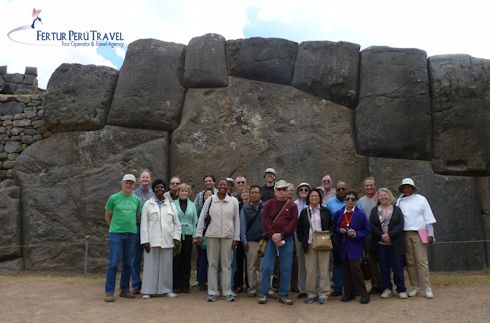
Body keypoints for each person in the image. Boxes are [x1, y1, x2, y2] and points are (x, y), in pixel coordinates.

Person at [196, 179, 240, 302]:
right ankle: (212, 292)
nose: (222, 187)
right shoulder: (210, 200)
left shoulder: (233, 201)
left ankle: (226, 292)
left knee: (226, 265)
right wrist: (199, 234)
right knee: (212, 264)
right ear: (217, 186)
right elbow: (202, 217)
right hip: (212, 235)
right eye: (220, 184)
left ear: (228, 187)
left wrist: (236, 238)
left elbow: (236, 221)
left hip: (228, 236)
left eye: (224, 185)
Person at [258, 180, 298, 305]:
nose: (281, 192)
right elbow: (265, 222)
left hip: (286, 239)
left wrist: (281, 235)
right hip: (271, 239)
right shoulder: (269, 204)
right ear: (275, 191)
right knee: (267, 267)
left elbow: (293, 222)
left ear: (287, 191)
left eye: (284, 189)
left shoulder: (292, 206)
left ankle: (283, 294)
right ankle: (263, 293)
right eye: (279, 189)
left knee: (286, 268)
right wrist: (273, 235)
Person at [140, 179, 181, 299]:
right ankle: (148, 290)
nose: (160, 189)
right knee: (150, 266)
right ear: (153, 190)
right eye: (157, 187)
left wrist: (176, 238)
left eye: (162, 187)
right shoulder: (148, 204)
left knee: (166, 267)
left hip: (167, 240)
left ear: (165, 190)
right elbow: (144, 224)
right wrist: (145, 241)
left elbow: (176, 224)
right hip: (152, 241)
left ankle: (166, 290)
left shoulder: (171, 205)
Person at [396, 178, 437, 299]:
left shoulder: (421, 199)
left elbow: (428, 217)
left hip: (420, 232)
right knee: (410, 262)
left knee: (422, 262)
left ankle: (427, 287)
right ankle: (415, 286)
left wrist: (430, 233)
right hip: (404, 233)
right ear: (402, 188)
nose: (407, 189)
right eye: (405, 187)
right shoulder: (399, 201)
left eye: (409, 186)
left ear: (413, 188)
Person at [104, 174, 141, 302]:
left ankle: (124, 289)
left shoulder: (137, 200)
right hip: (116, 234)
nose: (129, 185)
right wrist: (114, 228)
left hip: (131, 234)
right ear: (122, 183)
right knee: (113, 263)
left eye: (131, 183)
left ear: (134, 185)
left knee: (128, 263)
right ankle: (109, 292)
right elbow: (107, 216)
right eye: (127, 182)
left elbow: (136, 215)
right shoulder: (113, 198)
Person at [296, 188, 334, 305]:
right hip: (309, 244)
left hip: (323, 244)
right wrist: (303, 241)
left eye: (316, 196)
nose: (314, 198)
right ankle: (311, 293)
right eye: (312, 196)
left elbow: (331, 225)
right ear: (308, 198)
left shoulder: (325, 211)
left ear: (320, 198)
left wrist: (328, 237)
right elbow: (300, 229)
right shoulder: (304, 212)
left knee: (323, 269)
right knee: (310, 270)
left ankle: (324, 293)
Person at [369, 188, 407, 299]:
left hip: (395, 243)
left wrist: (390, 235)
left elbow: (401, 224)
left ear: (389, 196)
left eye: (385, 195)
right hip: (381, 244)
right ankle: (386, 288)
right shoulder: (374, 210)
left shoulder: (397, 210)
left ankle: (401, 289)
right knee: (384, 267)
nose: (383, 197)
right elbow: (371, 225)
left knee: (398, 267)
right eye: (381, 196)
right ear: (378, 198)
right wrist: (382, 235)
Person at [335, 190, 371, 304]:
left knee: (356, 270)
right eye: (347, 199)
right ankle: (349, 293)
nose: (350, 201)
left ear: (356, 201)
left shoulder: (360, 214)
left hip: (355, 246)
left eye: (352, 199)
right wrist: (339, 230)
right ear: (344, 200)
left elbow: (367, 230)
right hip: (343, 246)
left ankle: (364, 294)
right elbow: (334, 228)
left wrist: (356, 234)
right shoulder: (339, 213)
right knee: (345, 271)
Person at [131, 170, 155, 294]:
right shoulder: (134, 194)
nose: (145, 179)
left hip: (151, 229)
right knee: (135, 257)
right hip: (137, 227)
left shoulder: (153, 194)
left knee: (149, 256)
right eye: (143, 177)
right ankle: (136, 284)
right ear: (139, 180)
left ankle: (148, 283)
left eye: (147, 177)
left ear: (150, 179)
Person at [357, 177, 382, 294]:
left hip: (382, 233)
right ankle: (376, 284)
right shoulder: (360, 202)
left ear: (375, 186)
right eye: (367, 185)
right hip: (367, 234)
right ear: (364, 187)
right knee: (371, 260)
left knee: (383, 259)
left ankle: (386, 283)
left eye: (371, 185)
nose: (369, 187)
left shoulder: (381, 198)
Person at [324, 181, 349, 297]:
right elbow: (327, 219)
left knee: (351, 261)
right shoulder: (330, 203)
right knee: (337, 261)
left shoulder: (352, 201)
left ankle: (351, 286)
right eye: (339, 189)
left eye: (343, 189)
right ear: (336, 190)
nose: (341, 191)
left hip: (351, 236)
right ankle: (338, 287)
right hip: (336, 235)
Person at [173, 183, 198, 293]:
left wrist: (195, 236)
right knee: (176, 259)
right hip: (176, 235)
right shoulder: (172, 204)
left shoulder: (192, 205)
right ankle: (176, 284)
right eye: (182, 191)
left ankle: (185, 283)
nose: (184, 193)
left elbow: (195, 221)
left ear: (189, 193)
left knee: (186, 260)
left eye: (186, 191)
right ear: (178, 192)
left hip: (188, 234)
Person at [240, 185, 264, 297]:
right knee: (251, 266)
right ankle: (252, 287)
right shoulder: (245, 209)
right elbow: (242, 226)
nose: (254, 194)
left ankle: (264, 287)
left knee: (265, 266)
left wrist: (266, 238)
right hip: (251, 241)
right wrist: (244, 241)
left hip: (264, 241)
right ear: (249, 195)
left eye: (256, 192)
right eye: (252, 192)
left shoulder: (265, 206)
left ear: (260, 194)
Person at [293, 182, 311, 298]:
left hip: (311, 236)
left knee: (312, 263)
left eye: (306, 190)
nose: (303, 192)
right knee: (301, 263)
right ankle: (302, 289)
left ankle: (313, 287)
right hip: (298, 235)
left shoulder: (314, 203)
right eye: (301, 190)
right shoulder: (294, 204)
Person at [195, 189, 214, 291]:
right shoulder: (199, 209)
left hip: (213, 237)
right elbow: (196, 221)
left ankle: (211, 281)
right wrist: (198, 235)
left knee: (212, 261)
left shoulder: (216, 208)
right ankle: (201, 281)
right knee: (202, 260)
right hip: (202, 237)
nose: (208, 197)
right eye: (206, 195)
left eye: (210, 195)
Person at [233, 185, 250, 293]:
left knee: (249, 262)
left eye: (247, 192)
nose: (245, 194)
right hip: (238, 237)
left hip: (250, 236)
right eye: (243, 192)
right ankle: (238, 284)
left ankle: (249, 284)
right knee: (238, 262)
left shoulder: (253, 206)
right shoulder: (237, 206)